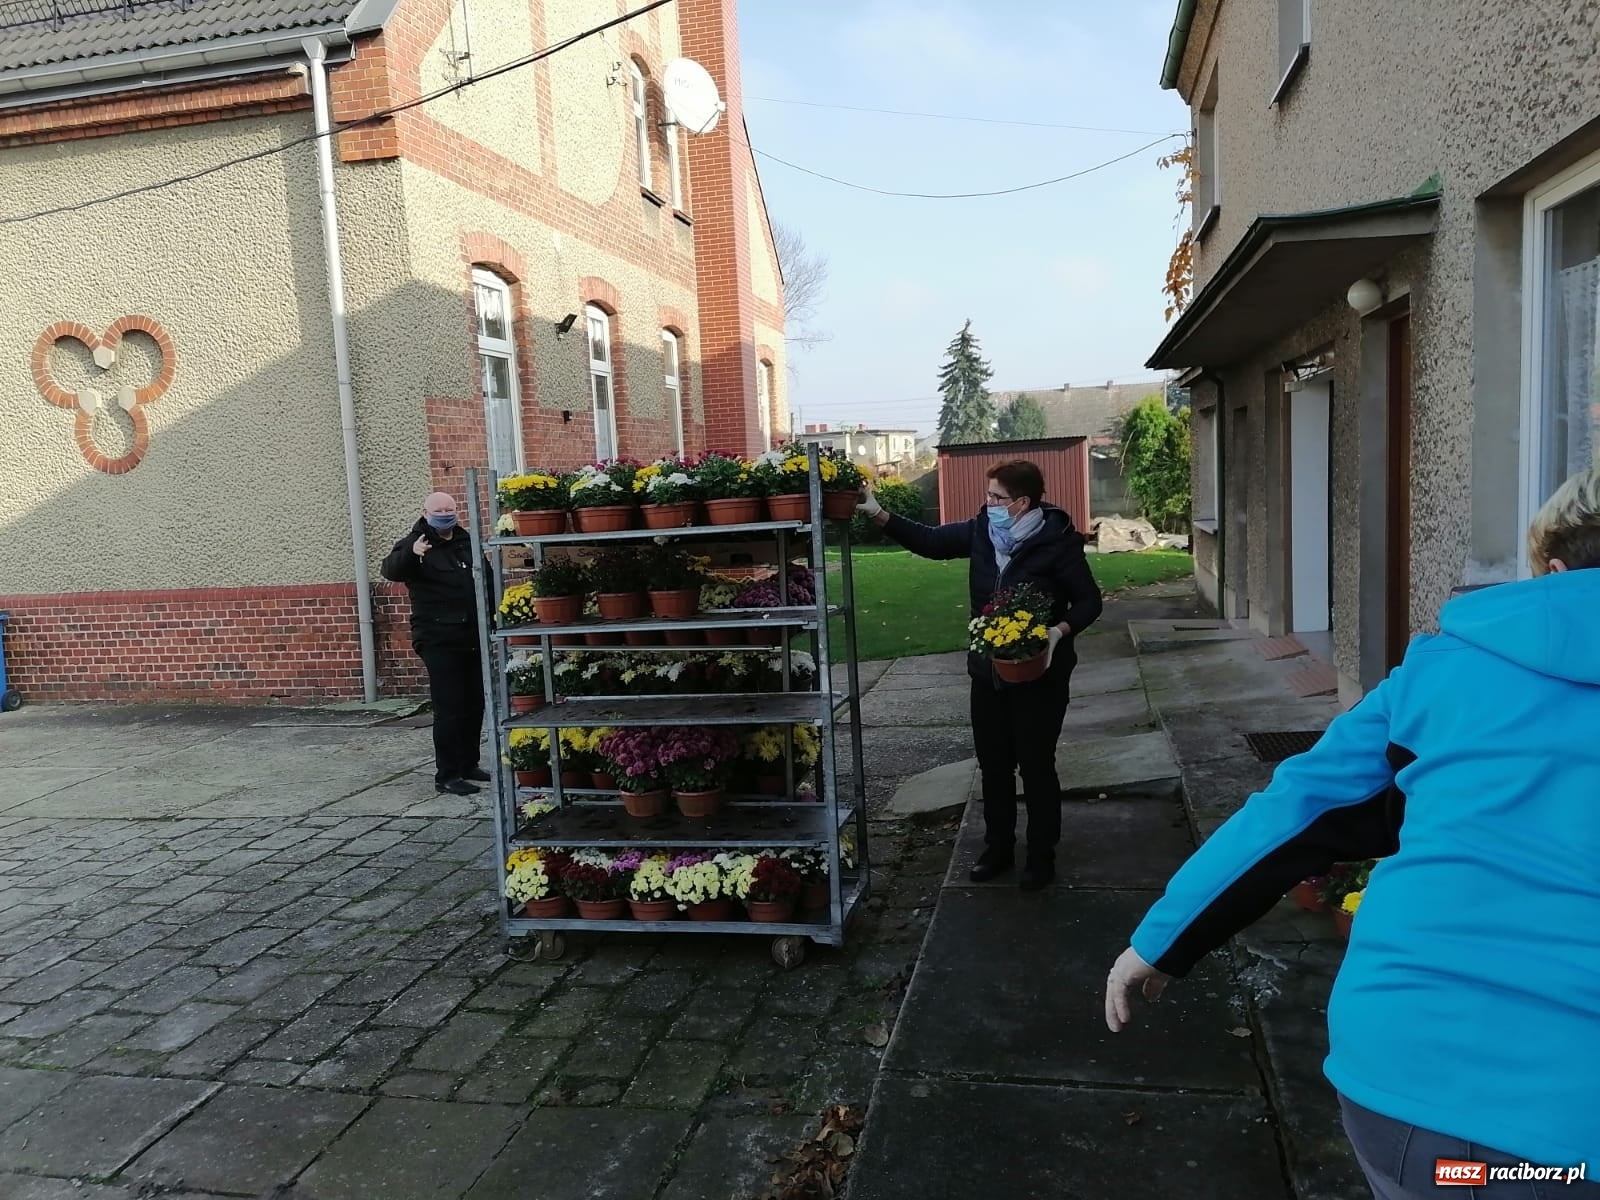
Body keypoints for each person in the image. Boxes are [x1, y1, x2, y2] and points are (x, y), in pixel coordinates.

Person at [1105, 465, 1600, 1197]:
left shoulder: (1446, 669)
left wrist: (1160, 942)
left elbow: (1296, 811)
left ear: (1555, 570)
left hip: (1412, 1086)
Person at [859, 460, 1103, 889]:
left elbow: (1089, 602)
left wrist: (1056, 633)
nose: (986, 503)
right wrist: (877, 512)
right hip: (987, 672)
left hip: (1040, 675)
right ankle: (998, 849)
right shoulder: (980, 532)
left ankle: (1041, 856)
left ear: (1022, 502)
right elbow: (930, 541)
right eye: (988, 495)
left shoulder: (1057, 542)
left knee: (1036, 765)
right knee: (993, 765)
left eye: (996, 497)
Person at [381, 492, 488, 797]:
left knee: (474, 703)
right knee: (450, 707)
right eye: (438, 510)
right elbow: (391, 570)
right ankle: (448, 774)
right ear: (425, 513)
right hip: (439, 639)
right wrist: (412, 554)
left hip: (471, 636)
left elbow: (485, 580)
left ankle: (469, 764)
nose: (444, 514)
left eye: (449, 509)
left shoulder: (465, 541)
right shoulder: (416, 543)